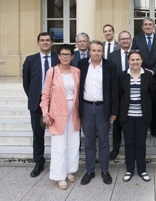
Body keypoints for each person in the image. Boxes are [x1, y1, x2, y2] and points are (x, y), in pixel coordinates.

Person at [40, 44, 81, 190]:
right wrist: (45, 113)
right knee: (59, 144)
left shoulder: (76, 72)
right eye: (62, 54)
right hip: (57, 112)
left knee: (73, 142)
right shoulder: (52, 72)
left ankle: (69, 170)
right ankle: (59, 175)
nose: (65, 57)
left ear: (72, 56)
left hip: (74, 111)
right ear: (58, 56)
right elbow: (45, 94)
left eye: (68, 54)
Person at [78, 40, 118, 185]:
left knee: (103, 141)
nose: (96, 53)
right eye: (93, 50)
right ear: (89, 51)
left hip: (103, 109)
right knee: (89, 142)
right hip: (86, 108)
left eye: (99, 51)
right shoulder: (82, 64)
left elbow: (114, 89)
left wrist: (114, 111)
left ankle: (104, 170)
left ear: (102, 52)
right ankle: (89, 171)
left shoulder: (109, 66)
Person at [22, 32, 59, 177]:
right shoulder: (30, 60)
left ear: (52, 43)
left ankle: (58, 162)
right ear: (38, 43)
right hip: (37, 104)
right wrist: (36, 98)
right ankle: (39, 162)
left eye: (48, 40)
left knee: (58, 134)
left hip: (56, 103)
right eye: (42, 40)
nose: (45, 43)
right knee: (38, 134)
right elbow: (27, 83)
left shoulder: (58, 58)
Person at [118, 50, 154, 182]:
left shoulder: (148, 76)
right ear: (128, 61)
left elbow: (152, 95)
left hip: (142, 116)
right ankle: (129, 170)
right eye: (132, 60)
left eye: (137, 59)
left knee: (140, 144)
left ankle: (142, 170)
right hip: (126, 116)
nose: (135, 62)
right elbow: (119, 94)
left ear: (142, 60)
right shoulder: (122, 76)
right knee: (129, 143)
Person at [131, 17, 156, 139]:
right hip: (141, 75)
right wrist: (144, 70)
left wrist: (154, 71)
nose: (148, 26)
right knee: (143, 101)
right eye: (145, 24)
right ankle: (142, 127)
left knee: (155, 102)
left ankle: (154, 129)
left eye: (150, 24)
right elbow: (134, 55)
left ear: (153, 26)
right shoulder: (137, 39)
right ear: (142, 27)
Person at [107, 30, 132, 160]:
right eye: (122, 39)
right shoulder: (112, 56)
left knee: (131, 124)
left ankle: (131, 148)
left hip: (133, 93)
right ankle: (115, 148)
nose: (125, 41)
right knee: (116, 124)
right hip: (117, 94)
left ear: (131, 40)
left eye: (127, 38)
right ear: (119, 41)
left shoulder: (136, 54)